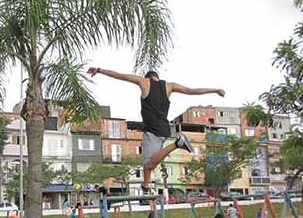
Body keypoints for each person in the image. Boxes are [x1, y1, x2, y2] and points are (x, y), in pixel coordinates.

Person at [87, 67, 225, 194]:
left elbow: (119, 75)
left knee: (148, 164)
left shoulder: (143, 82)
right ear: (158, 77)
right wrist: (215, 90)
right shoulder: (169, 86)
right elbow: (191, 90)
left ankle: (178, 144)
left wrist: (99, 70)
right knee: (148, 165)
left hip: (152, 130)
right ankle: (145, 186)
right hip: (164, 129)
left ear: (148, 77)